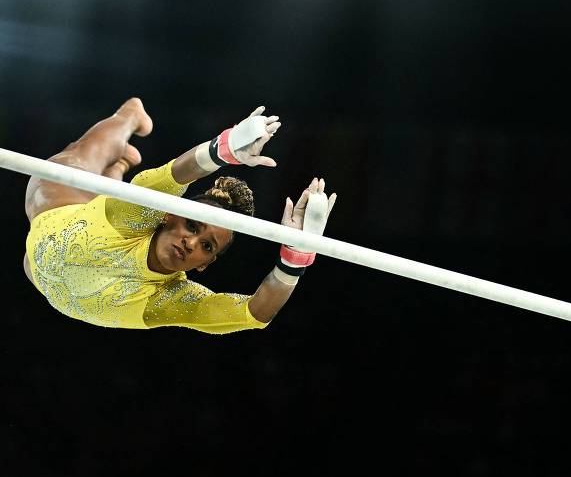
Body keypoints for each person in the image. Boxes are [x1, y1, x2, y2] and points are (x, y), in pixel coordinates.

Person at [23, 97, 336, 334]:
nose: (191, 242)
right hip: (53, 210)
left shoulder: (171, 299)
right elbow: (175, 176)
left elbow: (254, 313)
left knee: (98, 207)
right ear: (169, 217)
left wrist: (296, 256)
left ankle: (118, 167)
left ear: (204, 263)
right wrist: (223, 150)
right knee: (78, 158)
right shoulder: (138, 210)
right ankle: (129, 116)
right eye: (192, 225)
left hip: (38, 272)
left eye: (207, 246)